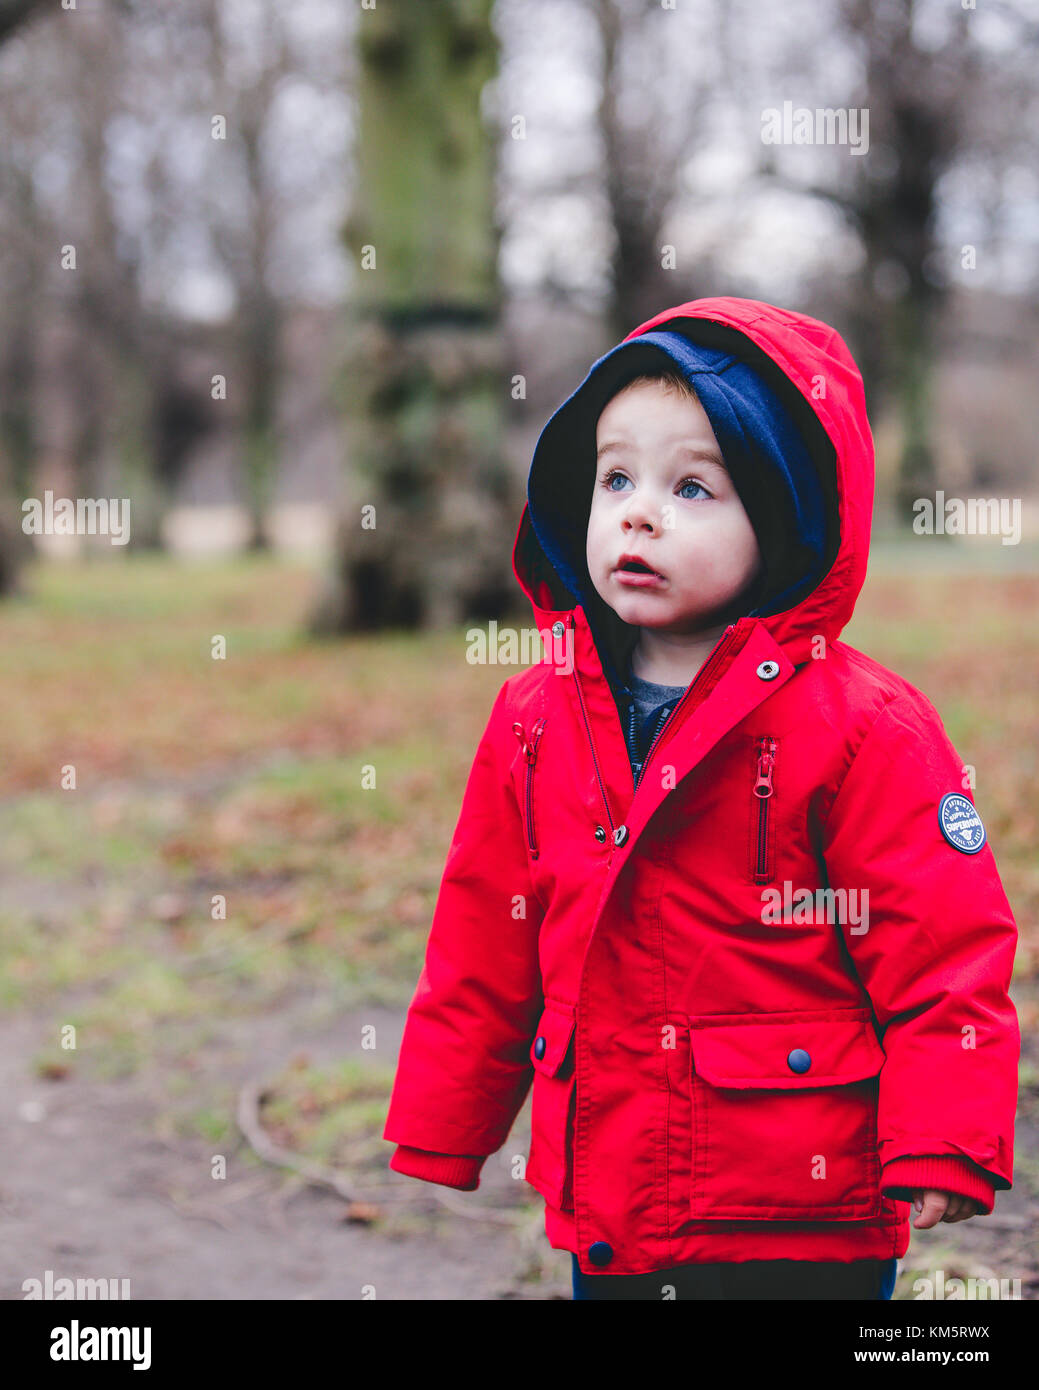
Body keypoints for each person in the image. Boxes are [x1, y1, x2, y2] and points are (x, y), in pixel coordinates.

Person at [381, 296, 1019, 1301]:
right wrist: (442, 1120)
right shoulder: (533, 716)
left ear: (784, 518)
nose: (639, 511)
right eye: (617, 477)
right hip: (616, 1201)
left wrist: (943, 1138)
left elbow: (940, 947)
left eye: (692, 487)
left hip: (805, 1213)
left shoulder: (862, 727)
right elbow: (482, 937)